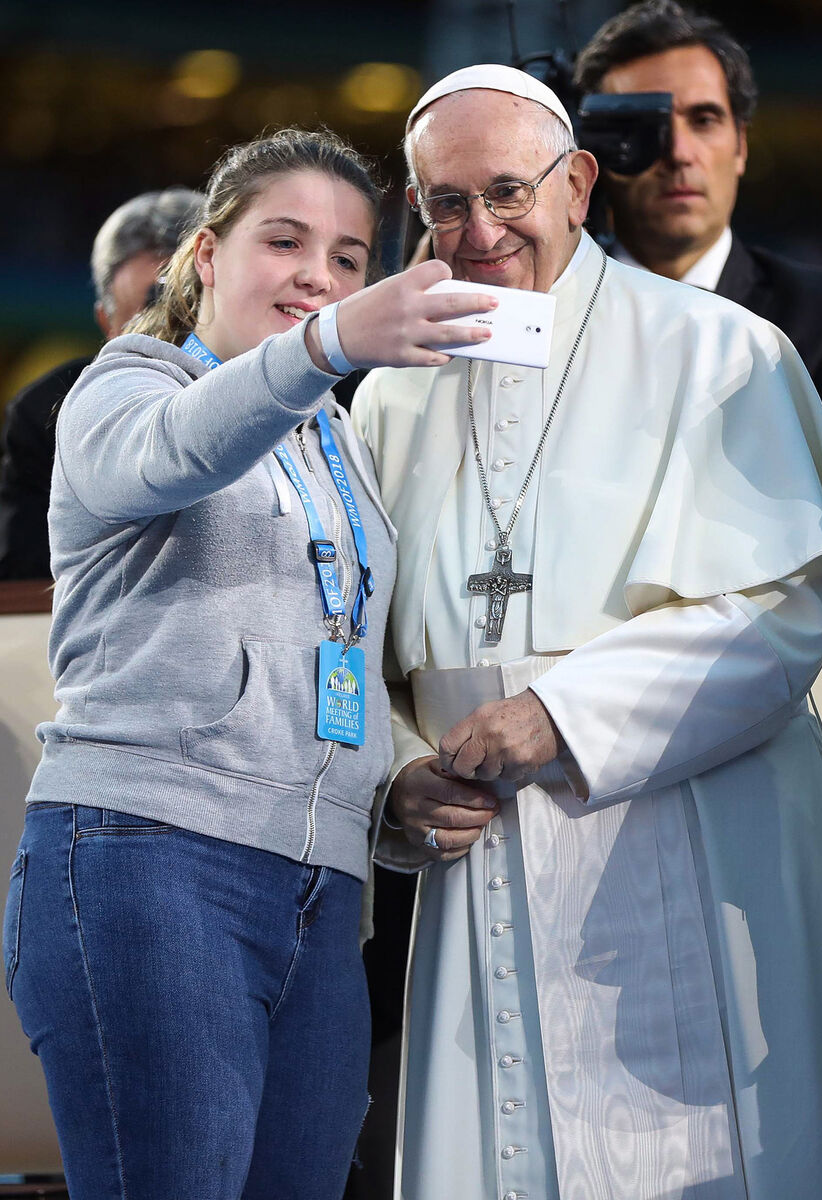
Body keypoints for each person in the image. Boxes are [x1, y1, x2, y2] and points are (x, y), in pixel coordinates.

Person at [351, 64, 822, 1200]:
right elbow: (353, 644)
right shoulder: (387, 392)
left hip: (687, 827)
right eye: (442, 201)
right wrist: (396, 776)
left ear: (577, 183)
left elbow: (779, 615)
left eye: (505, 192)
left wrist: (558, 716)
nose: (474, 231)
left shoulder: (719, 351)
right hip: (481, 854)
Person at [1, 127, 495, 1200]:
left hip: (321, 893)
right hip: (149, 859)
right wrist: (326, 346)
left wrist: (389, 792)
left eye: (351, 256)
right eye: (285, 240)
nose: (319, 273)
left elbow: (342, 653)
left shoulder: (339, 440)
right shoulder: (122, 386)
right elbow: (175, 452)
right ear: (208, 256)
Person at [573, 0, 822, 504]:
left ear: (741, 145)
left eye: (704, 119)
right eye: (645, 123)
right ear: (595, 150)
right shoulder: (549, 311)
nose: (679, 152)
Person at [0, 188, 204, 579]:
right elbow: (26, 589)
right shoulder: (45, 415)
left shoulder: (312, 402)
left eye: (188, 313)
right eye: (146, 322)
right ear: (105, 324)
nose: (169, 340)